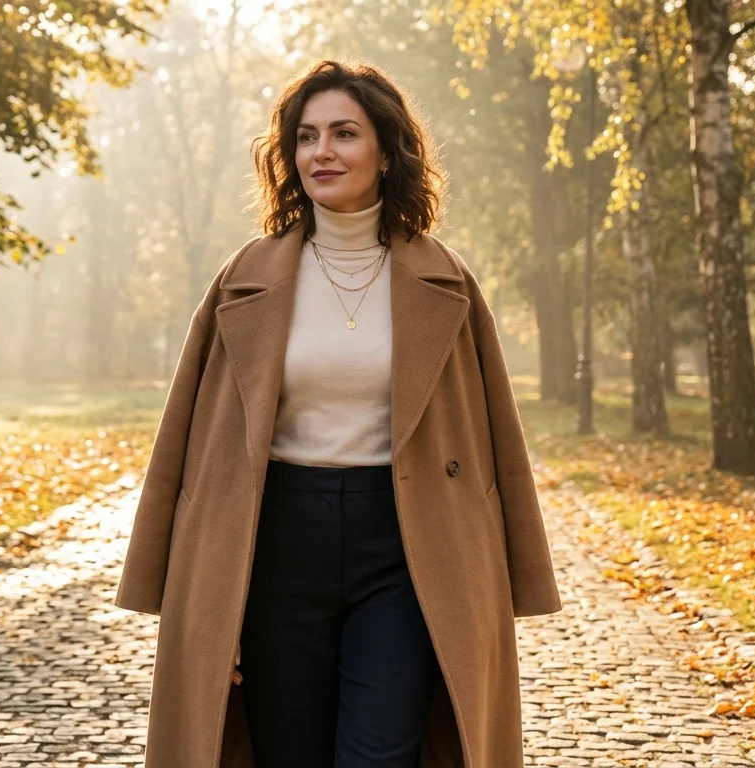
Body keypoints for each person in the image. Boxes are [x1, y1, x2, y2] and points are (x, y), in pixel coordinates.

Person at [115, 58, 563, 768]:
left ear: (387, 152)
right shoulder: (244, 279)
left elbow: (495, 440)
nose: (321, 152)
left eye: (344, 133)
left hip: (408, 546)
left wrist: (511, 573)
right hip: (275, 545)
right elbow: (188, 445)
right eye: (306, 136)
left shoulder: (444, 279)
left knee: (380, 753)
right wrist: (206, 601)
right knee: (286, 751)